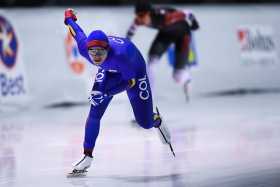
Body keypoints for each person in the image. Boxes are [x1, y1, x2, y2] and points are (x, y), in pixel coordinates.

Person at [64, 8, 174, 176]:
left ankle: (156, 120)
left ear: (108, 49)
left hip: (133, 72)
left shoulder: (121, 56)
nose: (96, 57)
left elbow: (129, 82)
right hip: (108, 69)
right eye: (93, 52)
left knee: (144, 123)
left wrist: (107, 93)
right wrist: (69, 19)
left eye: (100, 52)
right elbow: (76, 32)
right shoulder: (85, 49)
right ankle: (87, 155)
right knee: (95, 109)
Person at [126, 1, 199, 100]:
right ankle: (149, 94)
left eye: (142, 15)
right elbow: (131, 30)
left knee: (178, 76)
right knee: (151, 62)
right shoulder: (139, 19)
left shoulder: (165, 16)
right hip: (166, 34)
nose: (139, 18)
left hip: (182, 35)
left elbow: (187, 12)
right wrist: (126, 44)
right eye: (137, 15)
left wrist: (194, 22)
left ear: (149, 13)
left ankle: (187, 80)